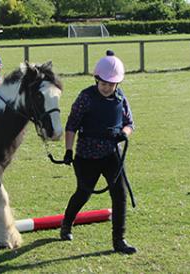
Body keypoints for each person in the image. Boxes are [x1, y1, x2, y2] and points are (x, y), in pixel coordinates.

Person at [60, 50, 137, 254]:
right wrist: (68, 151)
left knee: (119, 195)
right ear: (96, 79)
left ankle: (119, 240)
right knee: (83, 194)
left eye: (111, 85)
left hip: (112, 154)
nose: (107, 88)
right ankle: (67, 223)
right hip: (87, 155)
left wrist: (124, 133)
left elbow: (130, 123)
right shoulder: (86, 97)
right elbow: (71, 125)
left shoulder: (120, 98)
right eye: (103, 84)